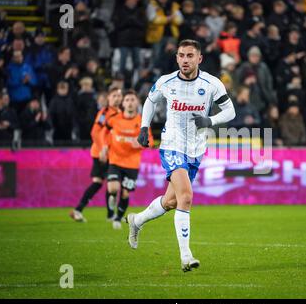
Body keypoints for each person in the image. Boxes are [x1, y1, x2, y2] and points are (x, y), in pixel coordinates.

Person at [126, 39, 235, 272]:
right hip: (172, 145)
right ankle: (186, 256)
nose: (185, 60)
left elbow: (230, 111)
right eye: (181, 55)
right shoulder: (166, 81)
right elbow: (150, 101)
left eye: (190, 56)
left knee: (172, 201)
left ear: (199, 58)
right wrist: (144, 127)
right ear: (176, 58)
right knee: (186, 197)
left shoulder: (212, 83)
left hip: (196, 149)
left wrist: (210, 120)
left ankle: (137, 220)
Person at [99, 90, 153, 230]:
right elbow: (104, 131)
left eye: (132, 100)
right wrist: (104, 147)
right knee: (113, 187)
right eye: (127, 100)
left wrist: (142, 143)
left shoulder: (142, 122)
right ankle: (111, 206)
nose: (129, 102)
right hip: (115, 160)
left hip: (132, 163)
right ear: (123, 103)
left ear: (137, 103)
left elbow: (151, 141)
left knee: (125, 192)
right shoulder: (114, 119)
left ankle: (117, 217)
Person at [69, 87, 123, 222]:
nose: (117, 98)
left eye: (118, 96)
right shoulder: (104, 113)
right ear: (109, 98)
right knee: (103, 182)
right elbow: (95, 132)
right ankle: (81, 210)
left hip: (113, 153)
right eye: (114, 96)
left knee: (108, 183)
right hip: (102, 153)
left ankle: (106, 214)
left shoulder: (120, 113)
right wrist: (102, 149)